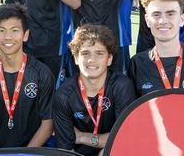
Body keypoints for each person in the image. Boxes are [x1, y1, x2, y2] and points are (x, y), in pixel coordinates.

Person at [0, 3, 54, 148]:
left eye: (14, 30)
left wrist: (25, 154)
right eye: (1, 30)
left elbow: (47, 125)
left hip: (34, 151)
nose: (8, 37)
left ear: (25, 35)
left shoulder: (42, 73)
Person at [53, 24, 136, 156]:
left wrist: (81, 137)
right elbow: (65, 150)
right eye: (85, 53)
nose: (91, 60)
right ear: (75, 58)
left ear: (109, 59)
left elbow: (124, 138)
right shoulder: (63, 94)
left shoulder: (122, 86)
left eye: (99, 53)